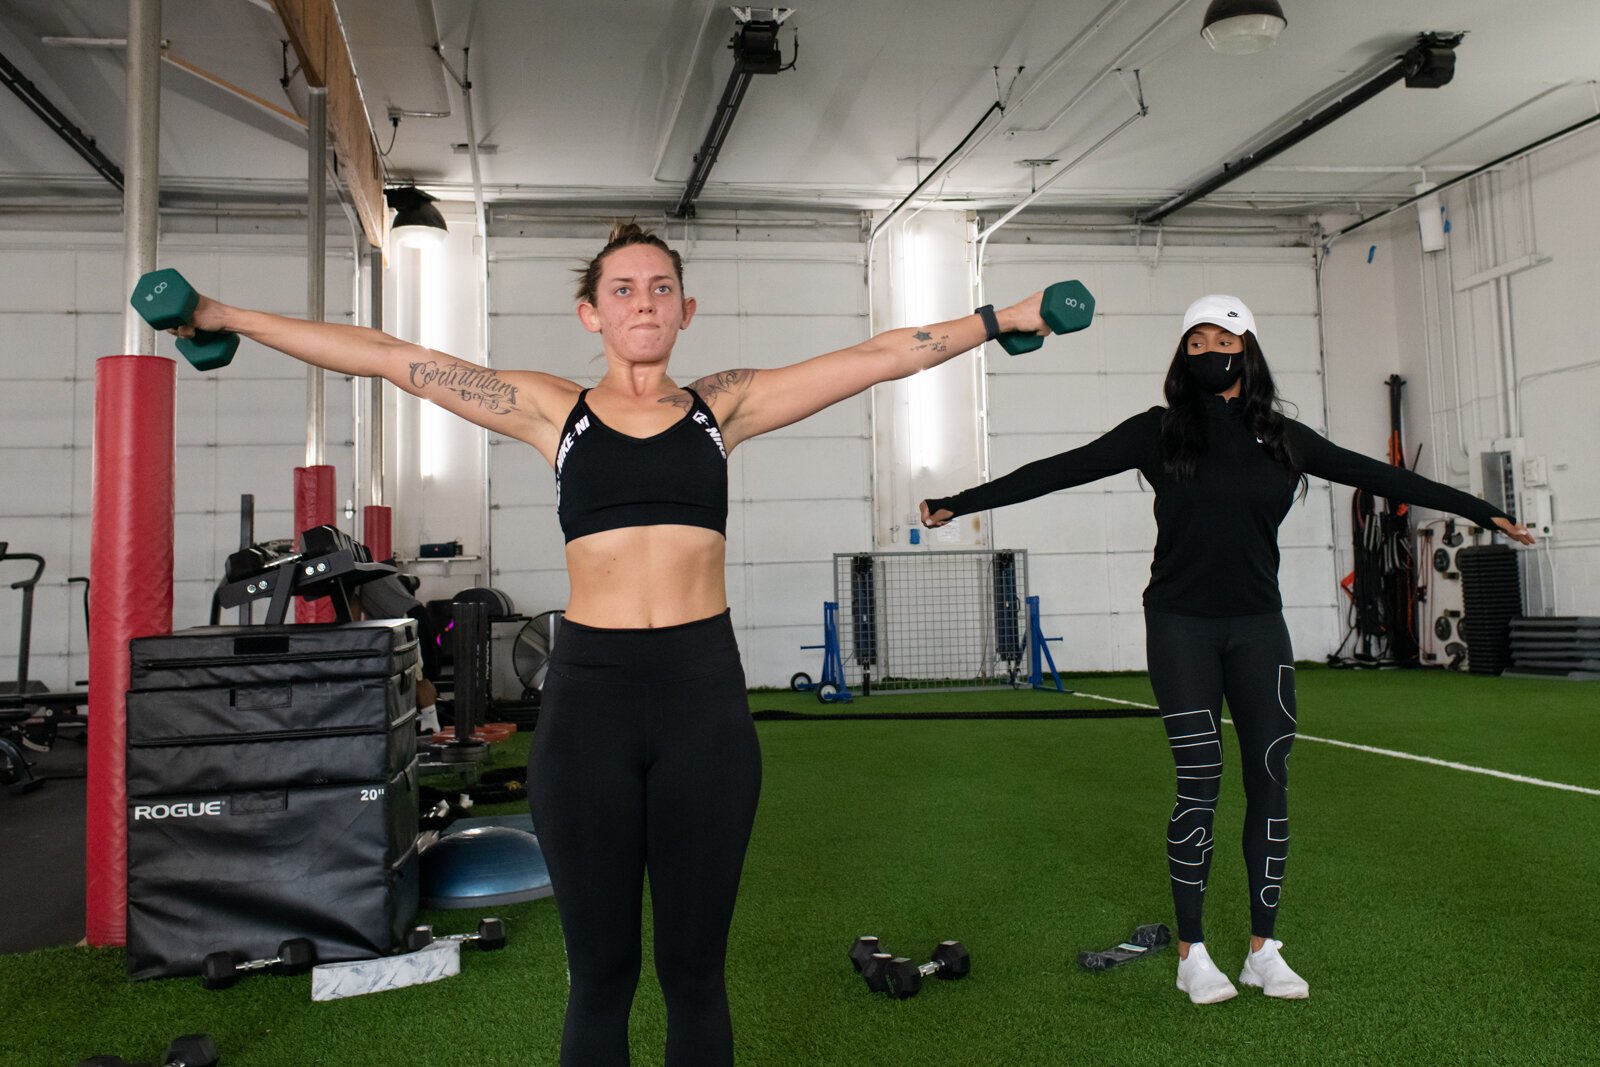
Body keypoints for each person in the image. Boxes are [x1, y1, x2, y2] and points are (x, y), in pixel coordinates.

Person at [170, 221, 1050, 1064]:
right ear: (592, 313)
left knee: (695, 974)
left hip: (703, 698)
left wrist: (1001, 319)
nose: (643, 301)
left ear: (684, 310)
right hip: (589, 702)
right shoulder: (556, 412)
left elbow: (873, 358)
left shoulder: (722, 407)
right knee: (600, 976)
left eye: (660, 288)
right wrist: (227, 316)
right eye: (622, 289)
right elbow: (400, 361)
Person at [920, 293, 1535, 1006]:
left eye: (1223, 338)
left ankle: (1263, 949)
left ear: (1248, 348)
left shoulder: (1285, 439)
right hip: (1181, 625)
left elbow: (1384, 477)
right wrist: (961, 501)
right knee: (1201, 780)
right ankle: (1192, 953)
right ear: (1185, 356)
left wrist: (1480, 508)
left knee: (1270, 776)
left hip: (1257, 628)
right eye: (1196, 341)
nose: (1210, 350)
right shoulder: (1157, 432)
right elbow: (1063, 467)